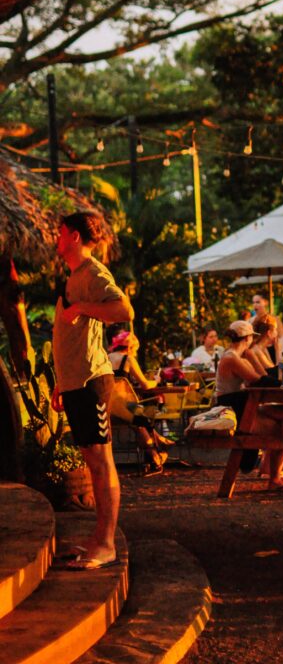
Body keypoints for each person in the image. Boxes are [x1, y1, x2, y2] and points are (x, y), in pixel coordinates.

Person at [53, 211, 134, 570]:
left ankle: (106, 544)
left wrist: (83, 308)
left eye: (59, 233)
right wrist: (60, 380)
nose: (56, 239)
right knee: (93, 464)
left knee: (101, 465)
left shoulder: (93, 273)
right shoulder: (74, 276)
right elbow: (70, 337)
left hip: (91, 381)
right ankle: (98, 538)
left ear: (72, 236)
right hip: (75, 382)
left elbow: (122, 309)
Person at [215, 320, 283, 491]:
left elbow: (263, 376)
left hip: (243, 405)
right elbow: (259, 380)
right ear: (248, 338)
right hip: (234, 409)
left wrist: (251, 356)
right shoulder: (232, 358)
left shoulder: (237, 355)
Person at [107, 330, 173, 475]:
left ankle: (157, 447)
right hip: (127, 409)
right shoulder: (128, 359)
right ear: (131, 348)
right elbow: (145, 385)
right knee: (147, 414)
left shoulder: (106, 358)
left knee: (141, 419)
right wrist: (155, 381)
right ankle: (156, 455)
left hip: (107, 408)